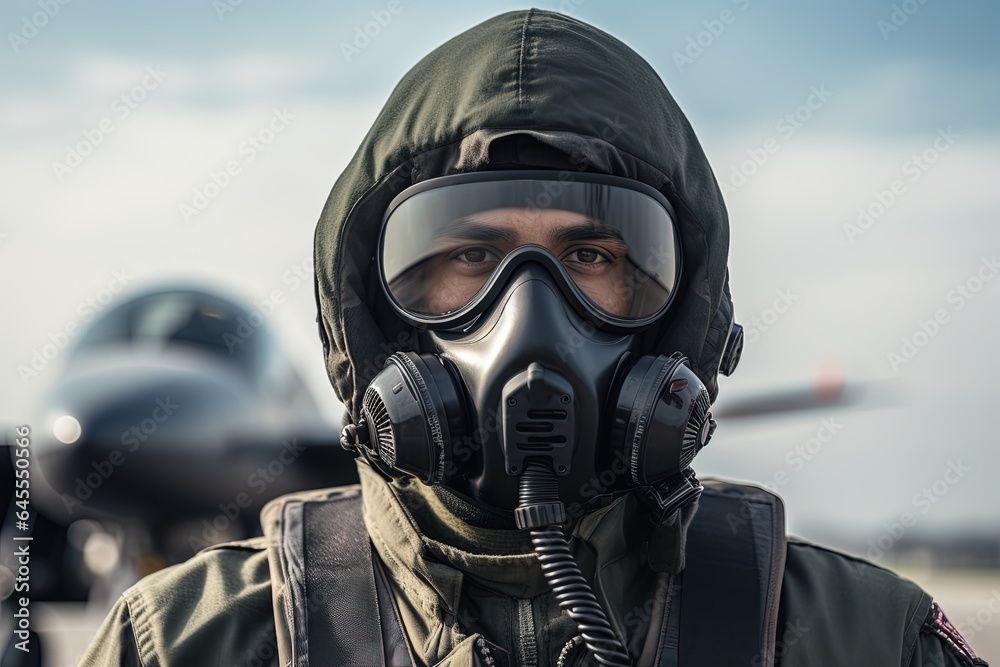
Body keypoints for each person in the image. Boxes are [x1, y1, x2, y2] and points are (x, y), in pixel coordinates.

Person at [79, 9, 988, 667]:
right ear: (377, 313)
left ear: (680, 313)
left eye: (590, 253)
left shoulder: (870, 639)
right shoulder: (180, 643)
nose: (530, 314)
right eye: (471, 252)